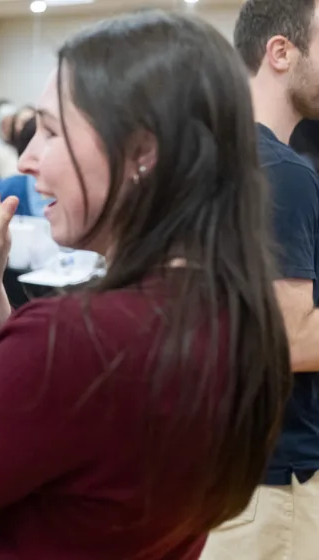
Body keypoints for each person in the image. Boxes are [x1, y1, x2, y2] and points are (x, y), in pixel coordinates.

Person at [0, 11, 291, 559]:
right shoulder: (233, 316)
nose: (27, 159)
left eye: (50, 131)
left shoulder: (81, 337)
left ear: (143, 152)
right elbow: (35, 418)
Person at [201, 1, 319, 558]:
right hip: (269, 488)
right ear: (280, 52)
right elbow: (290, 342)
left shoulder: (202, 156)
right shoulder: (283, 173)